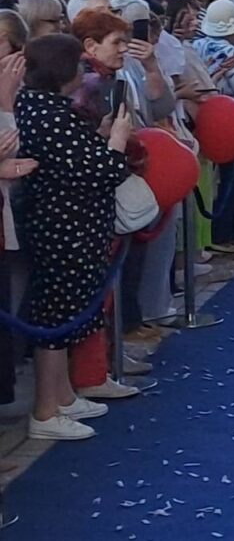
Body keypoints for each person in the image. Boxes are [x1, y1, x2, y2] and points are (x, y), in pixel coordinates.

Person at [17, 34, 131, 440]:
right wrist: (117, 140)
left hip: (70, 224)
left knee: (66, 311)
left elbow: (79, 159)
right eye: (79, 65)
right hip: (64, 227)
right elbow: (103, 170)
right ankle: (46, 410)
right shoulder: (49, 114)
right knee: (57, 315)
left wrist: (100, 136)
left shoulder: (43, 107)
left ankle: (63, 396)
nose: (84, 72)